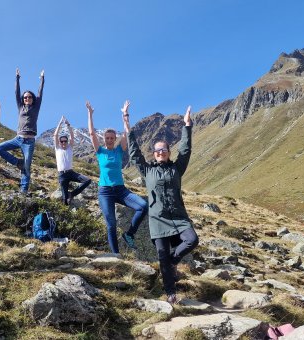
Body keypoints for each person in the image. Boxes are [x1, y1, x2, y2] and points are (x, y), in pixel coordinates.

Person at [126, 105, 199, 304]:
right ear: (154, 153)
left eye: (164, 150)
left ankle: (173, 262)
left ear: (168, 152)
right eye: (157, 150)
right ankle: (170, 292)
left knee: (192, 240)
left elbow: (185, 150)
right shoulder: (147, 170)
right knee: (161, 255)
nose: (160, 152)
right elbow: (134, 154)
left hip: (178, 216)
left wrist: (187, 126)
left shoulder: (177, 168)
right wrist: (127, 126)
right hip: (158, 219)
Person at [87, 100, 148, 253]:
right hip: (105, 191)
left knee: (143, 206)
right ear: (104, 139)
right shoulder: (100, 151)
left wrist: (125, 114)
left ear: (115, 139)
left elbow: (127, 132)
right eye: (107, 138)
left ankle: (129, 234)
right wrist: (90, 114)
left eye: (112, 138)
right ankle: (116, 255)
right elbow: (91, 133)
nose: (109, 140)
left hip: (121, 190)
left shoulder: (119, 150)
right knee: (111, 224)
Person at [0, 68, 44, 196]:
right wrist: (17, 78)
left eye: (29, 97)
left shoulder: (36, 107)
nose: (27, 98)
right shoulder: (20, 106)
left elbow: (40, 94)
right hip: (18, 138)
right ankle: (17, 162)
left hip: (29, 142)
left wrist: (42, 79)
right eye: (25, 97)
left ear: (33, 99)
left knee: (27, 166)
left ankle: (23, 190)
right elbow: (17, 92)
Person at [53, 115, 91, 205]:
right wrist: (59, 123)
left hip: (71, 173)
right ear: (59, 142)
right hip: (62, 175)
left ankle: (72, 194)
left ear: (67, 142)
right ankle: (65, 213)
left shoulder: (70, 147)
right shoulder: (57, 148)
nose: (63, 143)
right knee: (65, 200)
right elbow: (55, 135)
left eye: (65, 141)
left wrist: (68, 125)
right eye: (61, 141)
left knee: (87, 180)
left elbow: (72, 135)